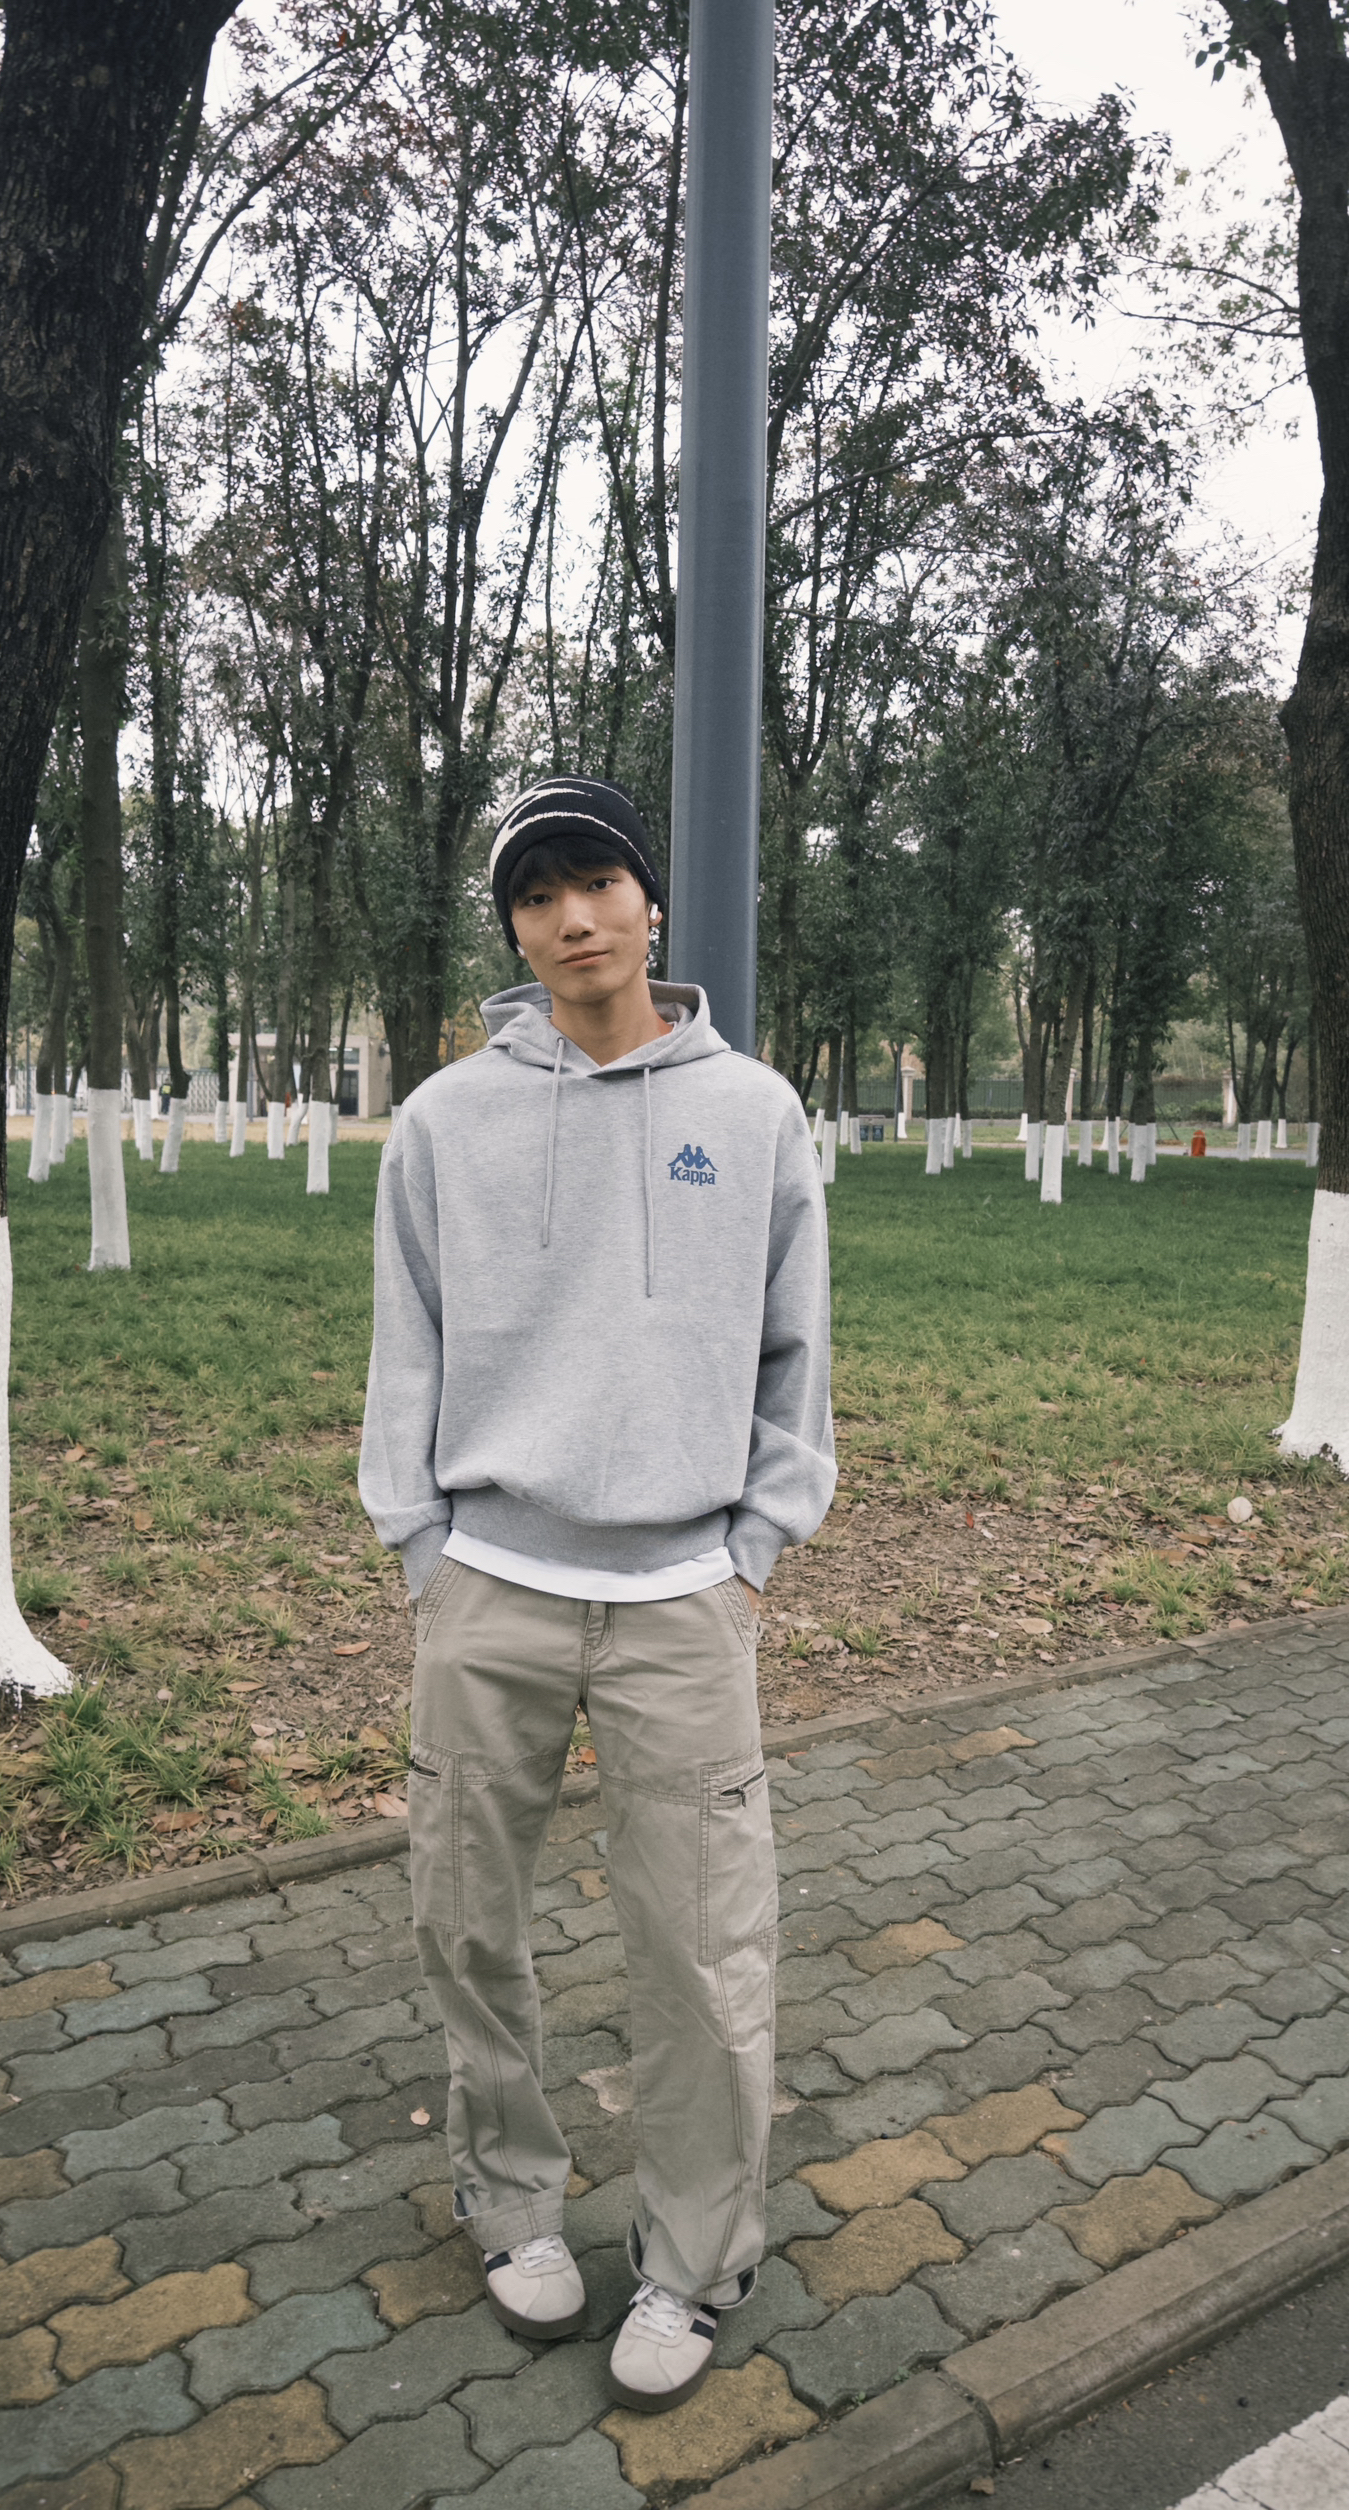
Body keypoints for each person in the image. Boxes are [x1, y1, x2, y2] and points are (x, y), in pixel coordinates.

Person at [360, 776, 834, 2413]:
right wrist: (422, 1549)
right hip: (487, 1588)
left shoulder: (752, 1112)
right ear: (513, 929)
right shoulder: (446, 1122)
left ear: (648, 901)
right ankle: (508, 2203)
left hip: (681, 1596)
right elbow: (406, 1345)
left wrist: (754, 1543)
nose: (573, 918)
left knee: (702, 1947)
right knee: (465, 1921)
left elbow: (794, 1351)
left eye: (598, 882)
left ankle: (696, 2260)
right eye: (537, 895)